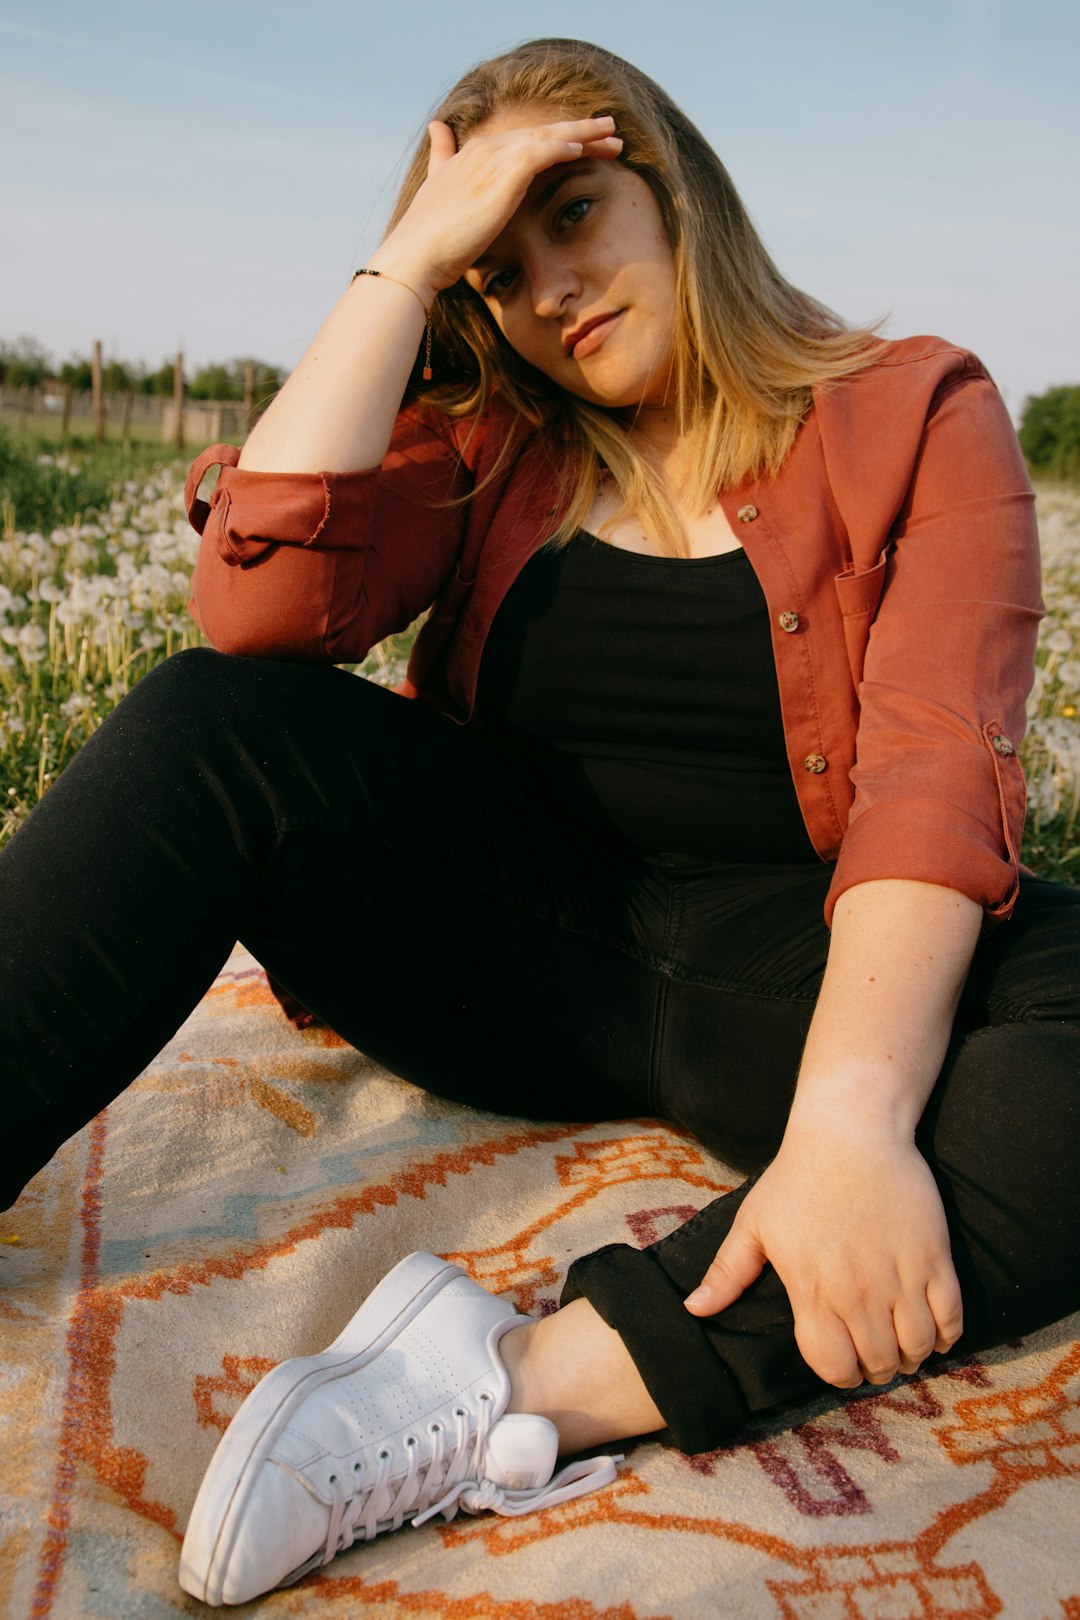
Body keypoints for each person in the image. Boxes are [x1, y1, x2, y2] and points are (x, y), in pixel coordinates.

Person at [2, 35, 1077, 1610]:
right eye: (498, 268)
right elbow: (254, 614)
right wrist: (406, 261)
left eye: (571, 212)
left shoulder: (916, 408)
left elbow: (932, 775)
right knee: (209, 723)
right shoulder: (493, 438)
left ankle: (513, 1385)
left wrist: (851, 1128)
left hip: (798, 974)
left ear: (669, 182)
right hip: (516, 952)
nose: (550, 287)